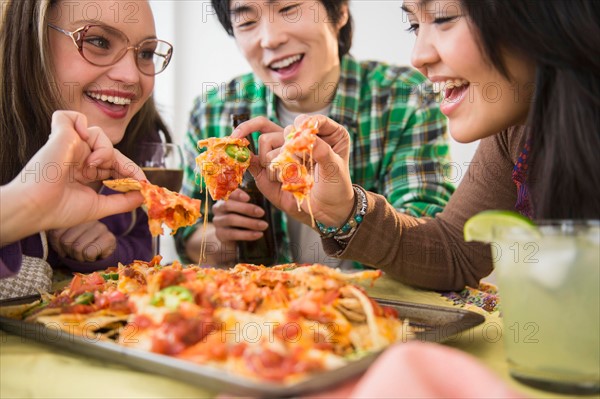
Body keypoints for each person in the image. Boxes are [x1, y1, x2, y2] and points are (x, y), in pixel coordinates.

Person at [232, 0, 600, 291]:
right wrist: (342, 212)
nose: (418, 56)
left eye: (442, 17)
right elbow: (455, 254)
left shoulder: (405, 97)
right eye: (413, 24)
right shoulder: (517, 131)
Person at [177, 0, 454, 268]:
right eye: (247, 21)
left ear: (340, 11)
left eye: (288, 9)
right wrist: (222, 241)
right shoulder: (214, 112)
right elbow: (185, 232)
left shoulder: (406, 99)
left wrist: (343, 211)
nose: (270, 39)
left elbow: (431, 249)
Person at [0, 0, 173, 275]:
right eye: (98, 41)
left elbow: (146, 250)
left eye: (146, 53)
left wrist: (109, 250)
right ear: (30, 40)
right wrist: (28, 206)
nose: (131, 76)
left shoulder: (144, 138)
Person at [1, 111, 146, 277]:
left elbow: (144, 247)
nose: (131, 82)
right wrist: (30, 203)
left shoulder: (142, 137)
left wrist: (110, 251)